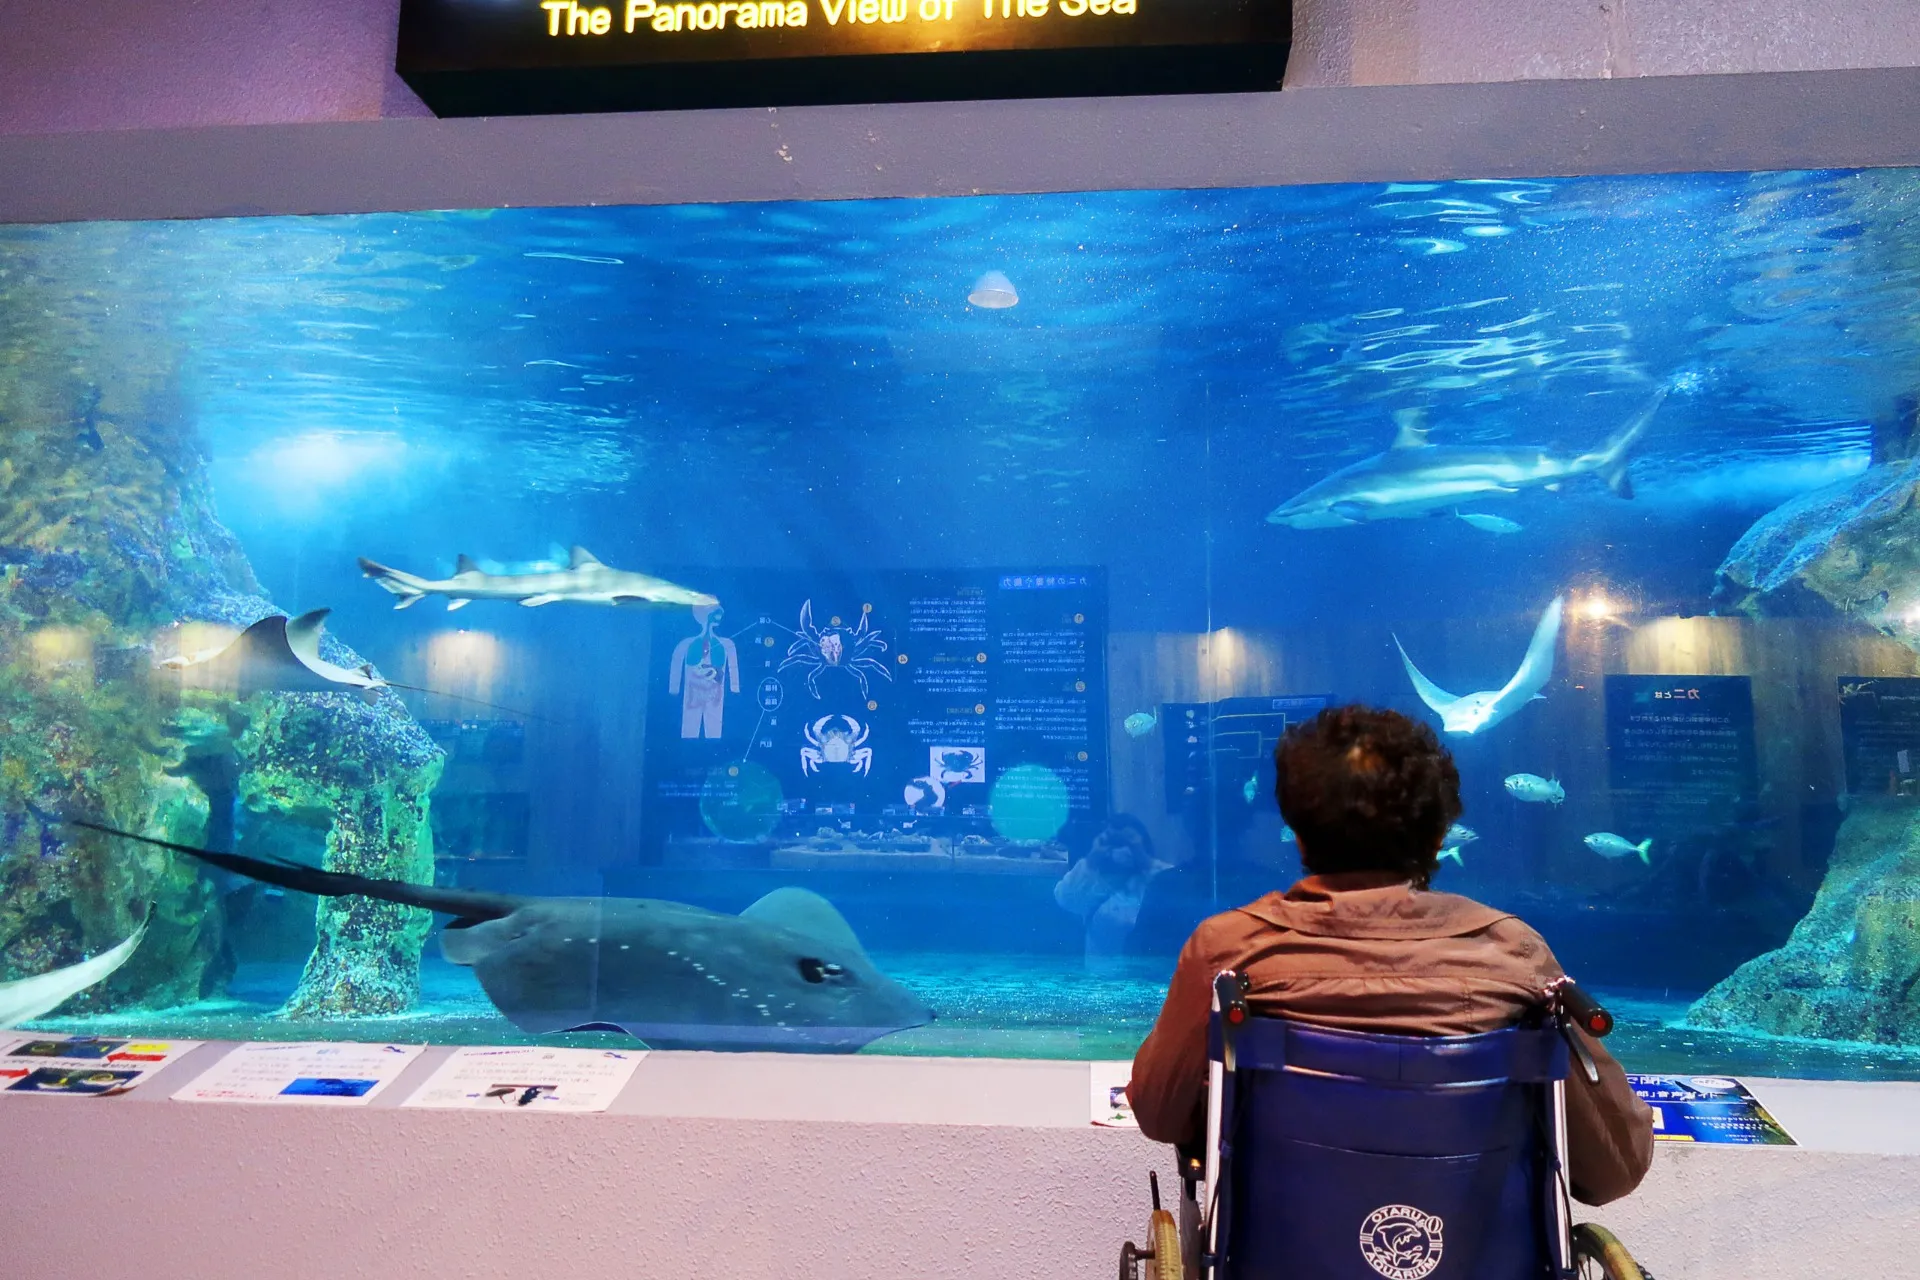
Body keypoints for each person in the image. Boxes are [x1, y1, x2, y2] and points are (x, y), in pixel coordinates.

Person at [1128, 705, 1654, 1206]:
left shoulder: (1227, 948)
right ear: (1436, 834)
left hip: (1281, 1247)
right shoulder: (1514, 952)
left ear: (1299, 832)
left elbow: (1158, 1112)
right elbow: (1615, 1167)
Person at [1053, 814, 1162, 963]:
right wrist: (1093, 858)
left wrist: (1144, 860)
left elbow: (1177, 885)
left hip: (1146, 978)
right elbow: (1065, 898)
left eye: (1127, 841)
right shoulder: (1092, 881)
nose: (1121, 847)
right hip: (1102, 981)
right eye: (1114, 842)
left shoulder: (1152, 879)